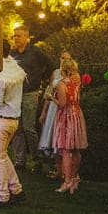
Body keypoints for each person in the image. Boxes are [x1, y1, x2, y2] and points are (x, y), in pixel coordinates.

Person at [0, 40, 28, 206]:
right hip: (13, 120)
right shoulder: (15, 68)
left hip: (1, 119)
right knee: (2, 156)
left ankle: (3, 196)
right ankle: (16, 190)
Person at [10, 26, 57, 171]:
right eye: (14, 36)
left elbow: (51, 66)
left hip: (30, 93)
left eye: (19, 36)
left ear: (26, 37)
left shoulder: (35, 52)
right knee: (17, 129)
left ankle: (37, 159)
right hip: (15, 94)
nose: (16, 38)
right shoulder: (12, 54)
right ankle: (20, 160)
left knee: (29, 128)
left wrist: (42, 79)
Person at [51, 57, 88, 195]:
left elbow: (62, 103)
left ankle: (66, 181)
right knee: (76, 149)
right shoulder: (77, 81)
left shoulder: (62, 84)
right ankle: (74, 177)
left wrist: (51, 98)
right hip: (77, 114)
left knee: (66, 150)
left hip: (66, 117)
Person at [38, 51, 72, 180]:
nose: (63, 60)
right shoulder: (56, 73)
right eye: (62, 58)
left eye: (66, 58)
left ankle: (66, 171)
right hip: (53, 107)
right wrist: (44, 112)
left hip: (64, 108)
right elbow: (49, 92)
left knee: (63, 138)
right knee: (53, 136)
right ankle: (58, 169)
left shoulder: (73, 75)